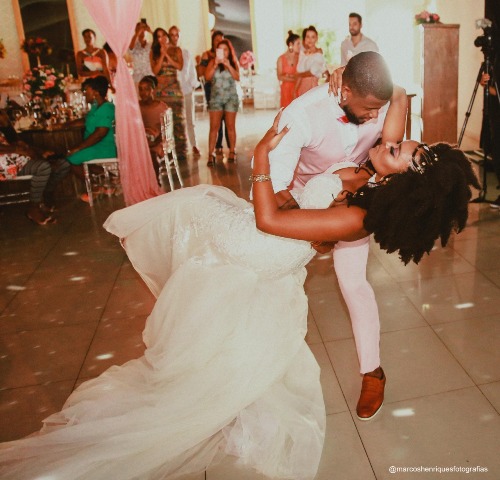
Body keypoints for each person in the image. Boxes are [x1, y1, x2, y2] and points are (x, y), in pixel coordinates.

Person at [0, 110, 478, 479]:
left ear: (398, 181)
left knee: (193, 209)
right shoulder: (365, 177)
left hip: (258, 247)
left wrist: (262, 160)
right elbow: (301, 212)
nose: (388, 142)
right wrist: (295, 201)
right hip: (265, 239)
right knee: (200, 206)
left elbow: (269, 221)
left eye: (396, 150)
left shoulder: (360, 216)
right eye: (395, 140)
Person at [268, 51, 408, 421]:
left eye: (379, 108)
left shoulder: (377, 98)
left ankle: (372, 371)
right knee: (279, 285)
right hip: (300, 200)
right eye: (369, 109)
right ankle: (269, 375)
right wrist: (318, 232)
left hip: (352, 197)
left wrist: (395, 92)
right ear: (344, 91)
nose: (375, 117)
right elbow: (276, 189)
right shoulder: (301, 114)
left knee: (354, 282)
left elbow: (392, 136)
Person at [0, 110, 70, 224]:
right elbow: (15, 148)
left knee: (63, 164)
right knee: (43, 167)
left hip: (17, 157)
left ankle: (45, 194)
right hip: (4, 164)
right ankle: (34, 208)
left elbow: (17, 142)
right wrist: (18, 150)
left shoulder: (2, 116)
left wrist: (40, 151)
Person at [66, 76, 116, 202]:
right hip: (94, 145)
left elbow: (100, 133)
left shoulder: (107, 108)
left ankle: (96, 186)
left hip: (104, 146)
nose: (84, 94)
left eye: (86, 90)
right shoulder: (96, 106)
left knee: (72, 159)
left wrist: (79, 147)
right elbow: (86, 120)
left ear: (95, 92)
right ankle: (109, 181)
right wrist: (65, 125)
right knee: (78, 157)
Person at [150, 27, 187, 160]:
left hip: (174, 91)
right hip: (160, 92)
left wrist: (166, 54)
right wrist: (161, 55)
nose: (161, 39)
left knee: (178, 121)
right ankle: (165, 151)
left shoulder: (177, 50)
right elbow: (155, 71)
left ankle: (181, 151)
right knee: (163, 122)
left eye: (163, 35)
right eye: (158, 37)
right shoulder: (153, 52)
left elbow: (179, 66)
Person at [204, 39, 240, 166]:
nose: (223, 52)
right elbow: (207, 77)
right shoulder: (212, 62)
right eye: (220, 49)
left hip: (231, 98)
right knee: (214, 127)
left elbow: (237, 77)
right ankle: (211, 153)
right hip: (216, 99)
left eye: (225, 49)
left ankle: (232, 151)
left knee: (230, 126)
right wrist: (215, 65)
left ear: (229, 51)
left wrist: (228, 65)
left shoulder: (233, 62)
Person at [168, 25, 200, 156]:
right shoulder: (167, 54)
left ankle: (194, 144)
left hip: (186, 90)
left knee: (190, 119)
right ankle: (174, 147)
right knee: (173, 121)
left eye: (177, 35)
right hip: (172, 92)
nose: (174, 38)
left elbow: (191, 70)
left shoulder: (186, 53)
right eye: (172, 35)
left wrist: (192, 85)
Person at [198, 30, 229, 157]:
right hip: (211, 88)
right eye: (217, 40)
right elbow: (201, 73)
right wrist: (212, 64)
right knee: (216, 119)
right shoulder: (207, 55)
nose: (219, 42)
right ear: (212, 41)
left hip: (225, 89)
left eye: (221, 39)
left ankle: (230, 146)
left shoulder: (227, 54)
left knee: (227, 117)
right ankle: (218, 145)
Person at [479, 52, 500, 208]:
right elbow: (482, 82)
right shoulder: (493, 59)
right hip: (494, 113)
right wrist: (484, 83)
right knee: (496, 151)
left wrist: (490, 88)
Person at [138, 75, 168, 179]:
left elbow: (166, 131)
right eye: (140, 89)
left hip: (158, 141)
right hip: (141, 140)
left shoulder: (161, 107)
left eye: (146, 89)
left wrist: (155, 142)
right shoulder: (136, 107)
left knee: (151, 153)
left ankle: (155, 182)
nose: (143, 92)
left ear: (153, 90)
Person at [295, 25, 327, 98]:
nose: (310, 40)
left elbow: (313, 71)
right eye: (308, 37)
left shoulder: (318, 53)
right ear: (305, 38)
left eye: (313, 37)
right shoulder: (302, 53)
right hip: (301, 87)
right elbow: (299, 70)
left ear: (316, 39)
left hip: (312, 86)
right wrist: (295, 89)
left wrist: (298, 75)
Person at [277, 30, 301, 108]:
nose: (300, 46)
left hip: (298, 88)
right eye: (298, 44)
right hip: (286, 90)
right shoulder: (281, 59)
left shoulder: (300, 58)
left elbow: (301, 75)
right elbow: (279, 76)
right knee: (286, 111)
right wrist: (294, 78)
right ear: (291, 44)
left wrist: (288, 76)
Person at [129, 20, 153, 85]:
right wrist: (137, 33)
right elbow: (130, 48)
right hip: (138, 78)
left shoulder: (150, 44)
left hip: (150, 75)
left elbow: (159, 42)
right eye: (139, 29)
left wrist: (150, 31)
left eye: (143, 29)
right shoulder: (133, 44)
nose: (142, 31)